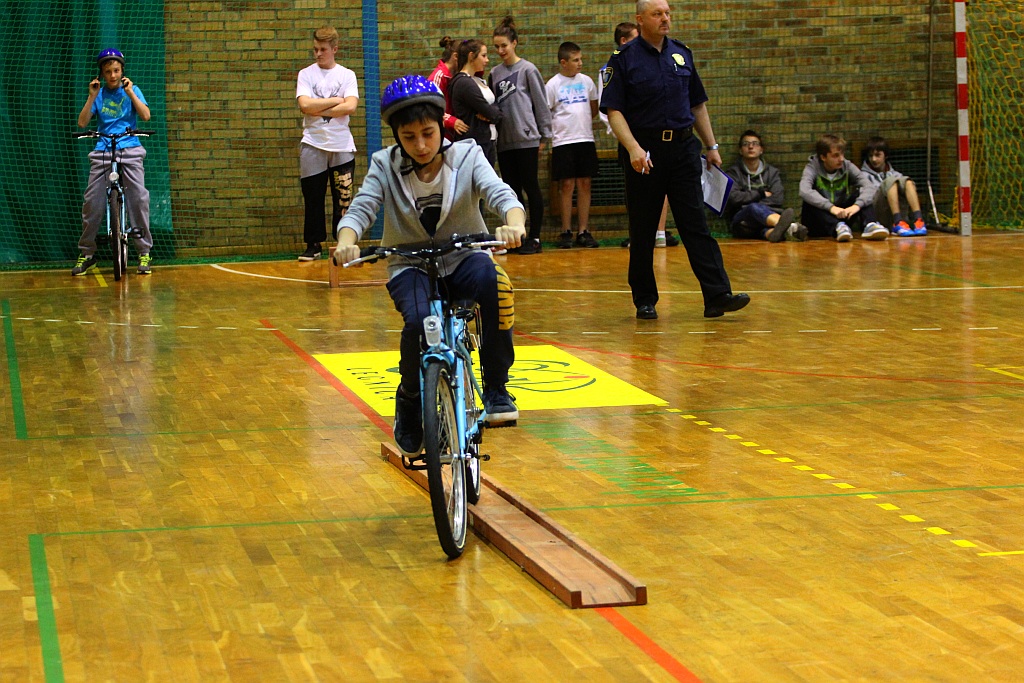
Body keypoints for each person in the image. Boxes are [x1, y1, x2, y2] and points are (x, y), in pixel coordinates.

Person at [332, 75, 526, 455]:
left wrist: (514, 222)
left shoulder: (468, 154)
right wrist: (346, 243)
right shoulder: (383, 165)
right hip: (410, 264)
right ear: (396, 137)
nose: (420, 145)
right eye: (409, 137)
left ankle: (497, 386)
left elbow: (499, 192)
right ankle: (408, 400)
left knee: (492, 280)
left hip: (464, 256)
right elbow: (362, 208)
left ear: (442, 125)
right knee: (418, 322)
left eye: (427, 133)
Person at [600, 0, 748, 320]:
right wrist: (633, 149)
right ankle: (644, 298)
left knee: (696, 224)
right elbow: (614, 112)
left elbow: (697, 105)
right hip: (645, 152)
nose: (665, 18)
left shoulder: (681, 53)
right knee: (643, 229)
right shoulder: (623, 60)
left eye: (667, 13)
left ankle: (717, 294)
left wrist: (711, 145)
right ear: (640, 20)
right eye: (657, 14)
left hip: (683, 150)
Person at [73, 48, 154, 276]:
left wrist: (131, 94)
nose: (112, 75)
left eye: (116, 70)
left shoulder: (132, 90)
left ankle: (144, 252)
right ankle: (87, 254)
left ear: (122, 71)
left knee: (139, 198)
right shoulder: (98, 94)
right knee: (92, 202)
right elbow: (82, 123)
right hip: (103, 150)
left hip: (130, 149)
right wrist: (91, 96)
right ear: (101, 73)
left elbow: (146, 116)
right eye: (108, 71)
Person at [599, 22, 678, 250]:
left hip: (655, 136)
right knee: (636, 191)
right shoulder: (613, 67)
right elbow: (609, 109)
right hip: (629, 138)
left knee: (663, 183)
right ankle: (639, 233)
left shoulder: (662, 58)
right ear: (625, 41)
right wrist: (628, 138)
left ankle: (660, 231)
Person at [490, 16, 552, 255]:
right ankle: (518, 236)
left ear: (514, 43)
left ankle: (535, 237)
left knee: (531, 186)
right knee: (511, 190)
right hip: (505, 142)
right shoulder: (495, 73)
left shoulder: (528, 69)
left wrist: (544, 136)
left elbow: (540, 103)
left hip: (527, 139)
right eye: (496, 47)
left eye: (504, 45)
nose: (500, 50)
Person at [295, 26, 359, 261]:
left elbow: (350, 106)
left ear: (334, 49)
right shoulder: (306, 74)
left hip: (341, 146)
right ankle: (313, 244)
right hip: (313, 143)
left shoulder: (346, 75)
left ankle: (344, 244)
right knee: (313, 196)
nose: (318, 54)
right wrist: (334, 101)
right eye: (315, 49)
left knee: (344, 198)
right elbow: (305, 106)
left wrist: (319, 105)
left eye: (322, 49)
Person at [546, 42, 600, 249]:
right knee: (566, 185)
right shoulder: (553, 85)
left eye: (580, 59)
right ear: (563, 62)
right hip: (563, 141)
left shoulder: (586, 82)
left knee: (585, 183)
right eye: (576, 60)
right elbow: (546, 112)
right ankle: (566, 230)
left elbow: (593, 108)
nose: (580, 63)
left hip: (585, 139)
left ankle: (583, 230)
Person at [798, 133, 889, 242]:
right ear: (823, 157)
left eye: (842, 154)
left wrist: (857, 205)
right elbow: (804, 190)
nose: (841, 159)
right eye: (836, 156)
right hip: (820, 222)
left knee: (861, 193)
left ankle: (870, 225)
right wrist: (831, 208)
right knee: (809, 201)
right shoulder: (812, 168)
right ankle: (837, 227)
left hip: (842, 215)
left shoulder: (847, 166)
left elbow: (868, 186)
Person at [723, 130, 801, 242]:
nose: (750, 147)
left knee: (763, 224)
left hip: (764, 221)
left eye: (755, 143)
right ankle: (791, 227)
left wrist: (753, 204)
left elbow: (777, 198)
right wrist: (761, 194)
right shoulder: (733, 173)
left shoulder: (772, 172)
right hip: (742, 222)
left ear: (761, 150)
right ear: (740, 150)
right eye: (746, 144)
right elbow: (734, 198)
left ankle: (774, 233)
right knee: (752, 208)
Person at [449, 39, 503, 166]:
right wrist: (493, 114)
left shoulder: (476, 80)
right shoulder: (464, 83)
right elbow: (493, 114)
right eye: (483, 55)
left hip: (487, 140)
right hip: (475, 143)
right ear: (471, 56)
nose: (487, 60)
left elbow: (496, 111)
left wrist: (493, 113)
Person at [860, 136, 928, 236]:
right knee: (890, 181)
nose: (873, 159)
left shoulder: (896, 174)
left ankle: (919, 221)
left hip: (902, 216)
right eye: (870, 156)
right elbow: (866, 200)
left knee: (907, 181)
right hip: (878, 217)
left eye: (878, 155)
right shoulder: (862, 176)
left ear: (885, 155)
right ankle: (898, 222)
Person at [428, 36, 469, 140]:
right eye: (465, 59)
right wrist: (451, 121)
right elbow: (431, 108)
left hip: (453, 135)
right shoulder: (439, 76)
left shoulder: (457, 75)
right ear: (455, 56)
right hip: (442, 135)